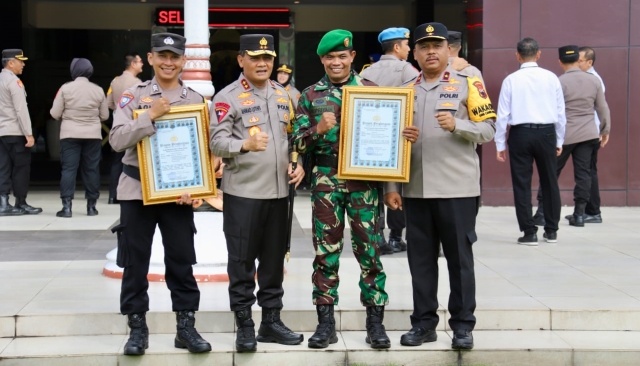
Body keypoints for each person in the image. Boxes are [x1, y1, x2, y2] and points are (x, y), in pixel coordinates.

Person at [385, 22, 496, 350]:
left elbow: (488, 129)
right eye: (423, 46)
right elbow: (394, 143)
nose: (431, 51)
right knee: (420, 260)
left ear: (449, 50)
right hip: (416, 190)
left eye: (437, 45)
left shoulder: (468, 83)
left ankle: (462, 325)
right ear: (414, 53)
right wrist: (392, 185)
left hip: (457, 189)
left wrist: (459, 125)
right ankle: (423, 324)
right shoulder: (406, 88)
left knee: (460, 259)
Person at [109, 32, 211, 356]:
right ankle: (137, 329)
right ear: (150, 58)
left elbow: (202, 151)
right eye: (161, 55)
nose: (168, 62)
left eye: (174, 56)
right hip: (137, 191)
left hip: (177, 194)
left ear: (183, 60)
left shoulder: (195, 100)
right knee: (135, 262)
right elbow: (116, 140)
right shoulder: (131, 95)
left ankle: (186, 327)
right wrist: (148, 116)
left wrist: (196, 189)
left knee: (181, 260)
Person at [293, 29, 391, 350]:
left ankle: (375, 324)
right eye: (329, 57)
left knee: (370, 253)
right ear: (322, 59)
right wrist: (317, 130)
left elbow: (387, 140)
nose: (336, 62)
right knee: (325, 254)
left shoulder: (372, 91)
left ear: (352, 57)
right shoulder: (310, 95)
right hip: (326, 186)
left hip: (365, 186)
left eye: (341, 56)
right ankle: (325, 324)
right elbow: (295, 142)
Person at [210, 34, 305, 353]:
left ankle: (271, 322)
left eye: (267, 58)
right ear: (241, 60)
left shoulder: (283, 94)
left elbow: (292, 138)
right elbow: (216, 143)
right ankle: (245, 325)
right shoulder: (229, 97)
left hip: (279, 196)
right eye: (255, 57)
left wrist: (299, 162)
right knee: (241, 262)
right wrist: (243, 145)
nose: (263, 63)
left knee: (273, 262)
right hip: (244, 195)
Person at [495, 38, 566, 245]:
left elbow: (502, 115)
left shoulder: (511, 80)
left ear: (517, 55)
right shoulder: (552, 78)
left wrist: (500, 144)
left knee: (522, 183)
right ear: (539, 54)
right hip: (547, 133)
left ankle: (529, 232)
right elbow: (561, 112)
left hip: (520, 133)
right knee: (550, 181)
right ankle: (551, 230)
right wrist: (560, 139)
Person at [533, 45, 610, 228]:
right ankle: (580, 214)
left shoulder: (558, 82)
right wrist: (605, 130)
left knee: (550, 173)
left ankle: (543, 212)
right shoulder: (594, 81)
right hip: (588, 134)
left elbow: (551, 110)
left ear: (560, 62)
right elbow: (602, 108)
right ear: (578, 60)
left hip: (564, 135)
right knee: (584, 175)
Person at [360, 27, 419, 254]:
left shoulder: (367, 71)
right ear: (397, 47)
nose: (408, 49)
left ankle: (378, 237)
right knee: (397, 188)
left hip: (373, 137)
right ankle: (396, 237)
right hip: (400, 137)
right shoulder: (408, 70)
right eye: (406, 45)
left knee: (376, 186)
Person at [50, 58, 108, 218]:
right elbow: (105, 115)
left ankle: (67, 207)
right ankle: (91, 207)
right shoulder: (98, 90)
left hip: (70, 135)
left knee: (69, 169)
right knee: (91, 169)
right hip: (93, 135)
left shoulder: (65, 88)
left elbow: (54, 114)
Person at [564, 46, 605, 224]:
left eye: (580, 61)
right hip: (588, 132)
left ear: (590, 62)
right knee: (587, 172)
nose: (576, 63)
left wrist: (603, 131)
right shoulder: (585, 78)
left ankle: (593, 211)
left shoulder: (594, 80)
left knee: (588, 172)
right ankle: (588, 210)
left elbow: (601, 109)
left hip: (589, 133)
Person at [0, 49, 42, 216]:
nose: (23, 64)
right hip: (15, 132)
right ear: (11, 63)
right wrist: (29, 133)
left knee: (3, 167)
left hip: (2, 132)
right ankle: (21, 202)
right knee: (21, 168)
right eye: (20, 61)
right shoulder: (14, 81)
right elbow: (21, 109)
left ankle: (3, 202)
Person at [106, 53, 143, 204]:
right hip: (134, 127)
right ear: (133, 64)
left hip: (117, 124)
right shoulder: (137, 84)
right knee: (131, 161)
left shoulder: (115, 81)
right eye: (140, 62)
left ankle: (112, 195)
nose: (142, 64)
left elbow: (108, 103)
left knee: (117, 161)